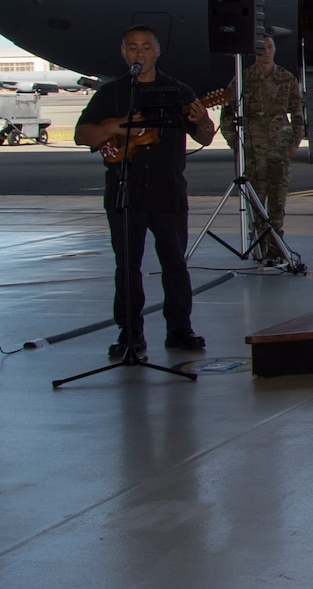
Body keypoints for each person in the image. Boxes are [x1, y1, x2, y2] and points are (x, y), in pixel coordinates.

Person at [74, 26, 217, 360]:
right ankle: (130, 334)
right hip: (126, 192)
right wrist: (115, 126)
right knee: (127, 266)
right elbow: (83, 134)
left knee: (175, 264)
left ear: (157, 51)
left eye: (146, 47)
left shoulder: (179, 91)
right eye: (133, 48)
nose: (140, 53)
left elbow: (205, 136)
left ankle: (180, 329)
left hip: (168, 192)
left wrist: (203, 120)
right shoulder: (111, 93)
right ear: (123, 52)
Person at [219, 33, 307, 263]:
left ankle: (276, 249)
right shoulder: (242, 80)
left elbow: (298, 112)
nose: (265, 52)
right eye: (260, 49)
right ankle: (259, 248)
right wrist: (235, 143)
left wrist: (295, 141)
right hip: (253, 153)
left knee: (277, 203)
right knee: (256, 204)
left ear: (274, 50)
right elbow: (227, 114)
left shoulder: (286, 79)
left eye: (269, 47)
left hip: (279, 151)